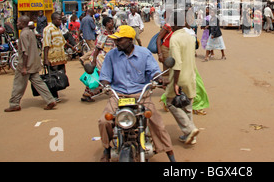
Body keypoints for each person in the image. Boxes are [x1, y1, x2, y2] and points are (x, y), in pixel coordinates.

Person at [97, 25, 175, 162]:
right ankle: (106, 148)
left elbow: (154, 71)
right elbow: (105, 76)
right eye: (116, 40)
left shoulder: (144, 54)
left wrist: (160, 78)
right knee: (104, 121)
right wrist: (103, 85)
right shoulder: (111, 55)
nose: (116, 43)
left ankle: (171, 155)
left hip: (140, 95)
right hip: (118, 95)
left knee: (158, 124)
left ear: (130, 40)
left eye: (120, 40)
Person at [4, 15, 56, 112]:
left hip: (26, 65)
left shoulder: (23, 34)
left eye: (18, 22)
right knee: (39, 83)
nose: (17, 23)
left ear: (23, 23)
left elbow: (25, 52)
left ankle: (14, 103)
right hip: (33, 64)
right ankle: (50, 100)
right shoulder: (30, 33)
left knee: (18, 85)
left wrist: (24, 67)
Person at [165, 11, 200, 145]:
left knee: (170, 103)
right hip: (191, 75)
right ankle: (191, 135)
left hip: (180, 77)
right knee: (187, 106)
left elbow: (177, 63)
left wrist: (175, 83)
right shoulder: (189, 36)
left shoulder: (175, 38)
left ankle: (189, 129)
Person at [81, 16, 116, 102]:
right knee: (99, 78)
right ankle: (88, 94)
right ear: (107, 24)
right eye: (111, 22)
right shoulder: (103, 35)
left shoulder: (112, 34)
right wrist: (93, 61)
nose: (113, 24)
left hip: (108, 58)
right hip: (102, 59)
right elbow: (97, 48)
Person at [42, 12, 68, 102]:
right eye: (58, 19)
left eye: (61, 19)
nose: (60, 21)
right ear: (53, 19)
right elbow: (46, 45)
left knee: (61, 76)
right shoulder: (48, 29)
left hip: (60, 57)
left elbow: (63, 41)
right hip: (52, 57)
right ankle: (53, 96)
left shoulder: (58, 29)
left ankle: (55, 94)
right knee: (52, 77)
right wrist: (46, 59)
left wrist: (73, 48)